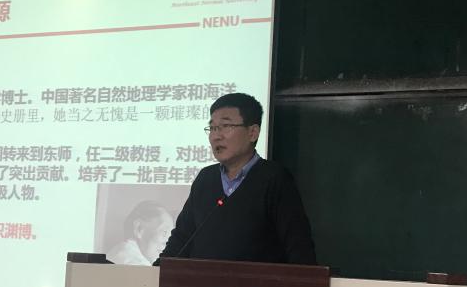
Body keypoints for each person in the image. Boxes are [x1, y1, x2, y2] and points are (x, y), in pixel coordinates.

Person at [158, 92, 316, 264]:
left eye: (225, 126)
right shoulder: (206, 178)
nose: (216, 136)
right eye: (213, 128)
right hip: (202, 280)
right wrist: (154, 272)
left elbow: (298, 247)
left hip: (255, 281)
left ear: (253, 133)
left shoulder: (275, 179)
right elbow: (181, 238)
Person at [107, 201, 175, 265]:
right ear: (139, 228)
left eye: (170, 235)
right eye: (164, 232)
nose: (168, 242)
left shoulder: (120, 253)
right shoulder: (135, 264)